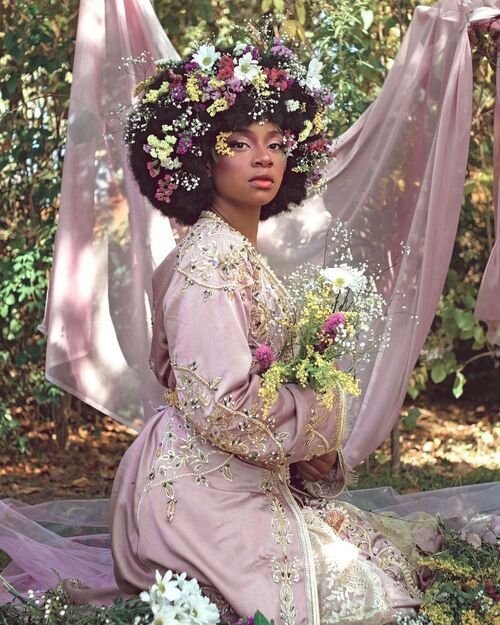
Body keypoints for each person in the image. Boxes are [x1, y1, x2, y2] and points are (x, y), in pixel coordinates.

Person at [106, 39, 438, 625]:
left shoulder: (228, 249)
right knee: (370, 603)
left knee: (383, 566)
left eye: (277, 144)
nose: (263, 158)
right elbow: (224, 405)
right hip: (200, 490)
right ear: (199, 157)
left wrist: (308, 448)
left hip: (230, 470)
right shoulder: (210, 260)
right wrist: (319, 419)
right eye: (239, 143)